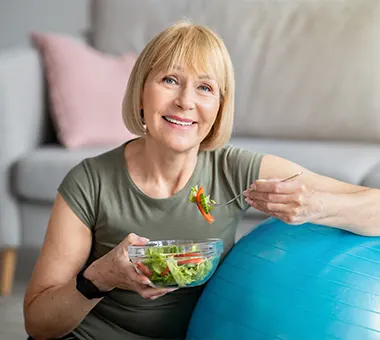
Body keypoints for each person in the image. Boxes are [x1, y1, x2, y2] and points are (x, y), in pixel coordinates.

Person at [23, 20, 380, 340]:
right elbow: (38, 324)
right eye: (170, 80)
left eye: (205, 88)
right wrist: (101, 276)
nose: (185, 101)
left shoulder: (234, 169)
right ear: (142, 92)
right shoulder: (89, 181)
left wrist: (317, 206)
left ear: (220, 107)